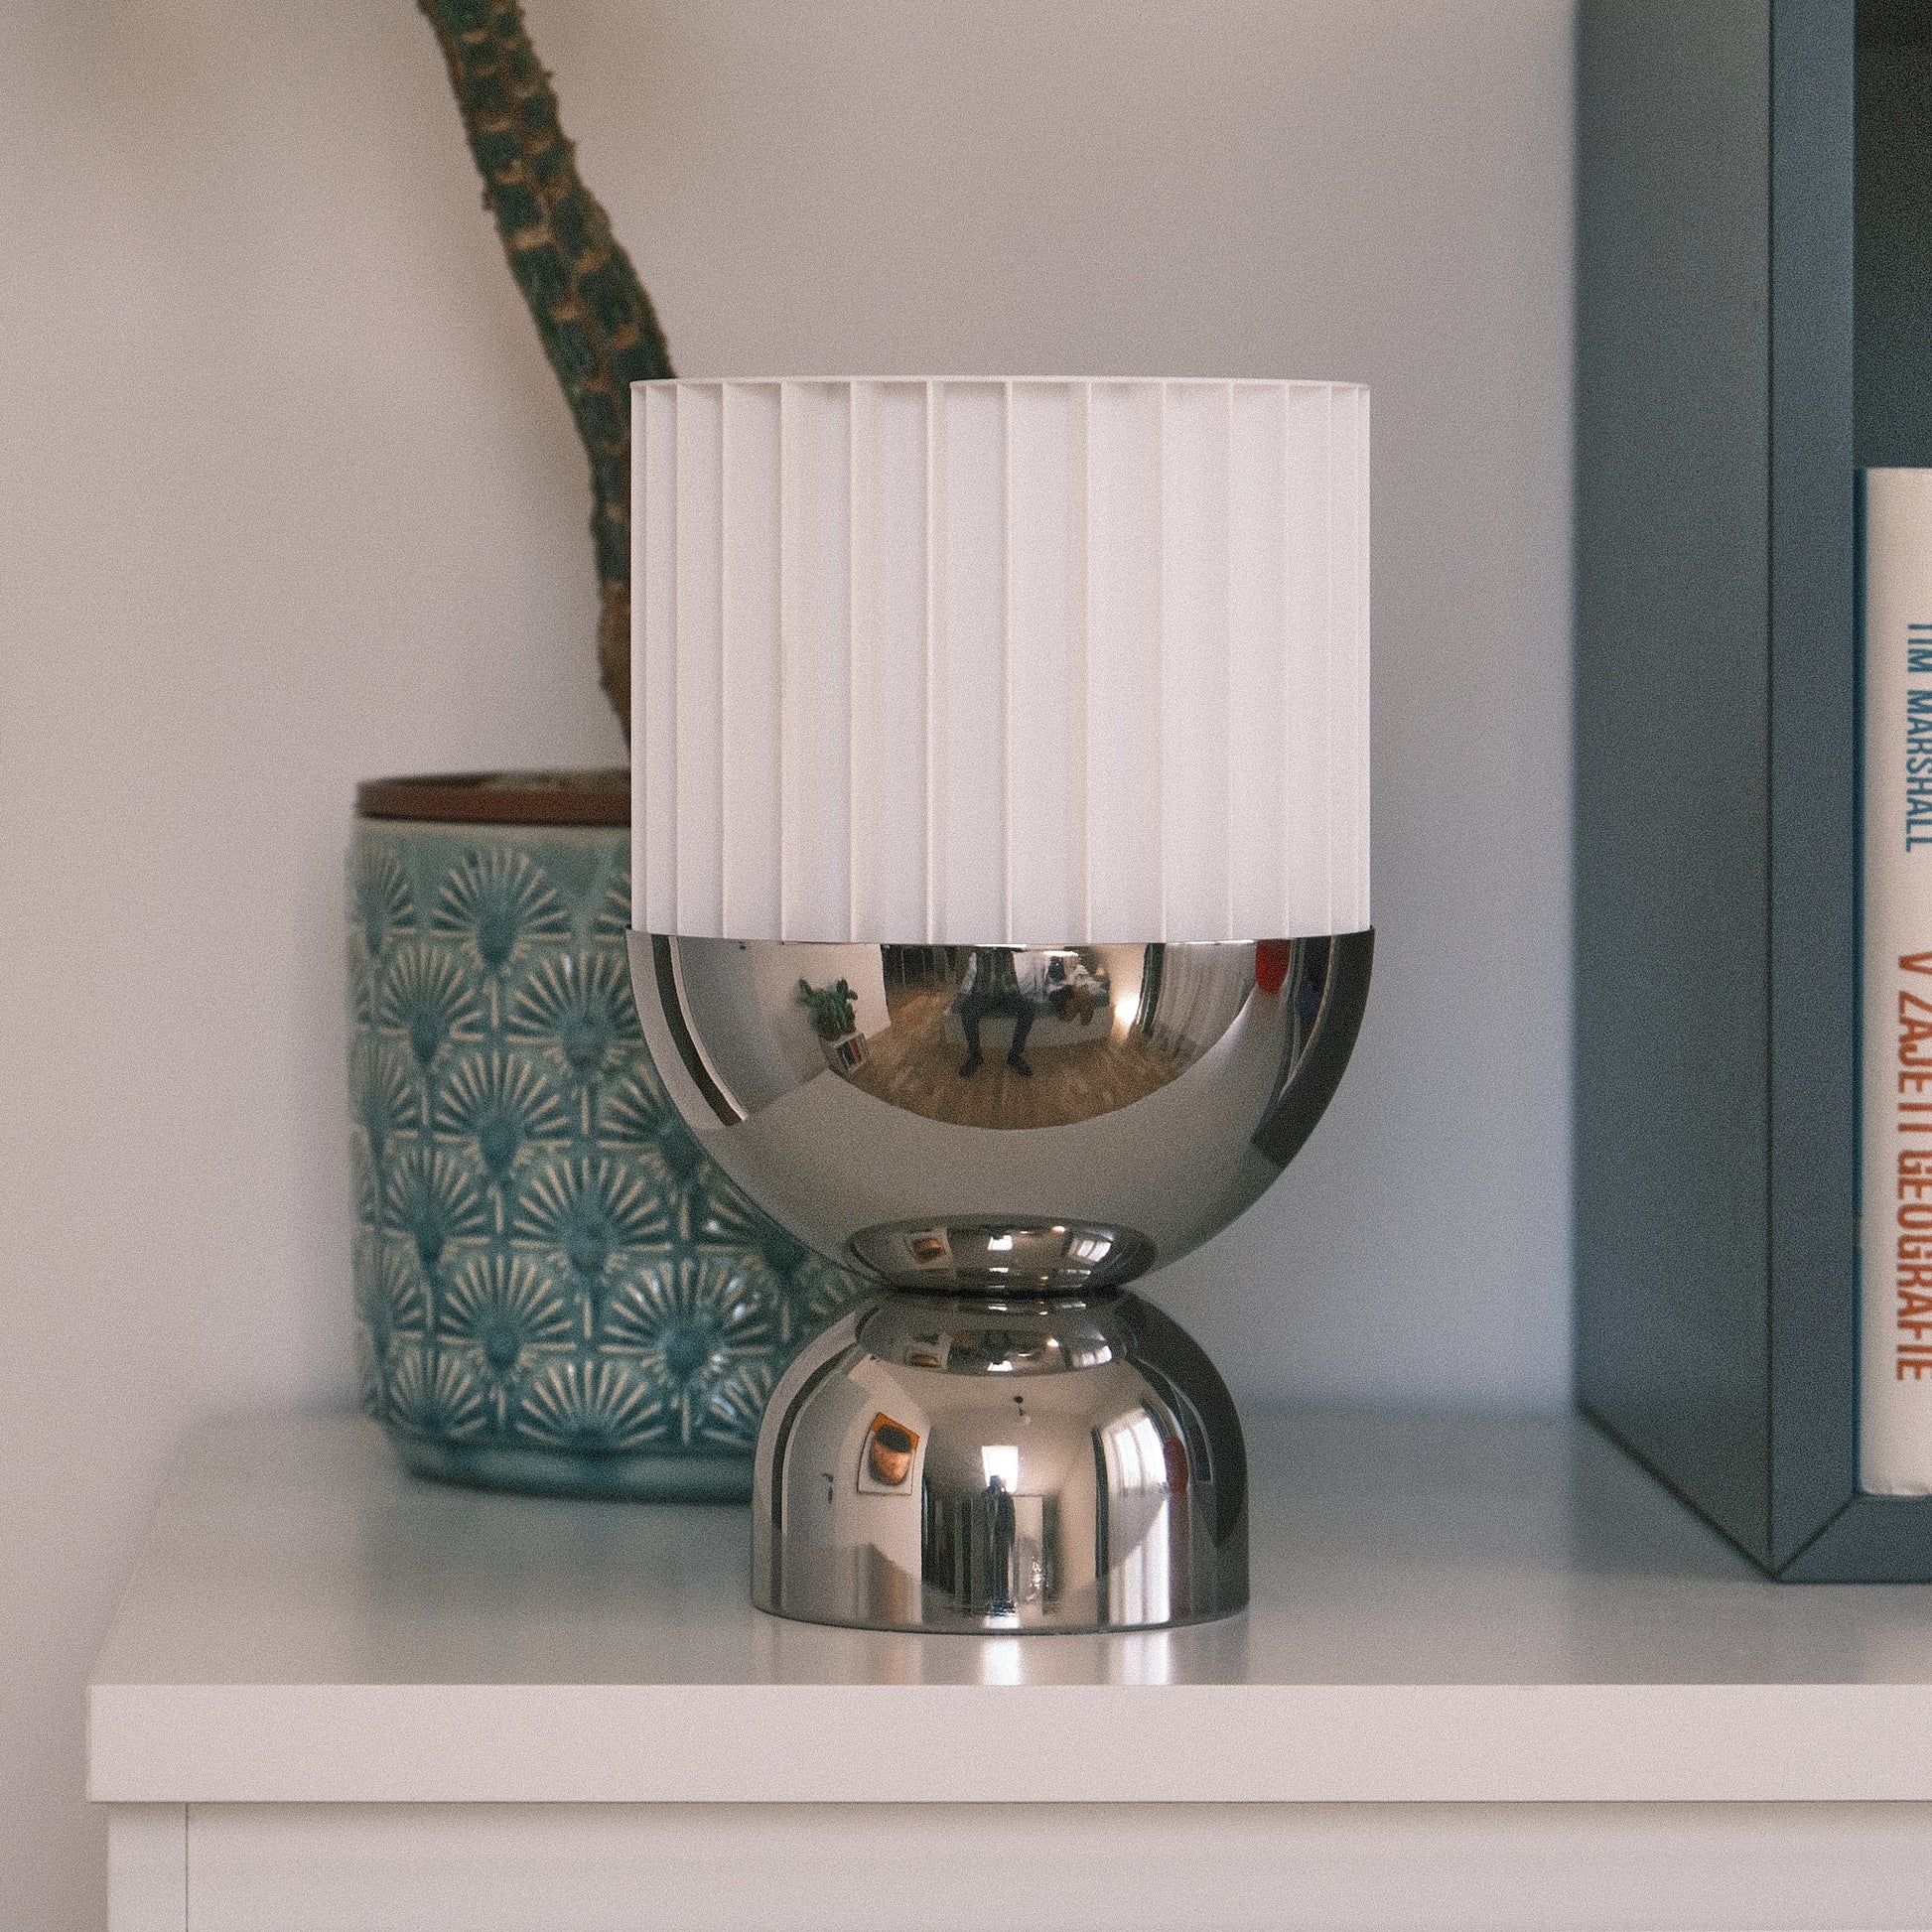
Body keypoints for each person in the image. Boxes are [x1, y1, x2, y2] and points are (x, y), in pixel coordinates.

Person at [954, 947, 1047, 1077]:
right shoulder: (980, 946)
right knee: (967, 1012)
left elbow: (1022, 947)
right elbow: (977, 948)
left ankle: (1015, 1056)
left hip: (1009, 994)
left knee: (1028, 1009)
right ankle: (975, 1056)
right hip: (983, 993)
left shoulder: (1008, 942)